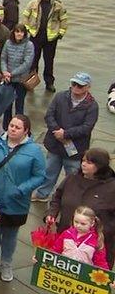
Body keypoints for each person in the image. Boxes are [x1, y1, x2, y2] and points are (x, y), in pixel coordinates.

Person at [0, 115, 46, 282]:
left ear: (26, 131)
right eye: (11, 125)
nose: (13, 129)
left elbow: (39, 176)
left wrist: (22, 189)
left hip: (17, 201)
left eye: (17, 127)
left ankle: (6, 263)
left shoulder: (34, 151)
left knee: (10, 234)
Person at [43, 206, 112, 294]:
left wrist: (108, 278)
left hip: (83, 278)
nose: (78, 226)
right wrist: (42, 259)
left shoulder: (96, 240)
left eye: (83, 223)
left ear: (92, 223)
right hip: (64, 273)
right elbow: (55, 250)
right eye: (76, 222)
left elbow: (101, 262)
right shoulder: (66, 234)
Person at [33, 72, 99, 203]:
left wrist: (65, 134)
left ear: (87, 87)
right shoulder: (60, 97)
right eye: (74, 84)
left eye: (80, 85)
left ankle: (68, 199)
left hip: (75, 149)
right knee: (49, 171)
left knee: (73, 177)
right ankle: (42, 194)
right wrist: (57, 130)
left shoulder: (92, 106)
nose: (75, 87)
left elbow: (87, 127)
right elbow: (49, 115)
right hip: (55, 144)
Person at [46, 149, 115, 266]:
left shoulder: (112, 187)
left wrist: (103, 232)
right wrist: (51, 213)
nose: (83, 164)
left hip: (96, 244)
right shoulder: (71, 178)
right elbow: (57, 196)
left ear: (100, 166)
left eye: (89, 162)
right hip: (67, 236)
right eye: (83, 161)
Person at [22, 0, 68, 92]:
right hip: (35, 36)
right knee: (33, 61)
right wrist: (27, 29)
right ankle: (31, 83)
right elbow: (25, 16)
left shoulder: (58, 5)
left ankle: (49, 83)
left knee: (49, 62)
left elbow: (64, 20)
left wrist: (60, 33)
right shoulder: (33, 3)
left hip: (51, 39)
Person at [0, 24, 34, 128]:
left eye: (21, 32)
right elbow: (3, 58)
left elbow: (27, 63)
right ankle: (6, 127)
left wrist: (12, 73)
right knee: (7, 106)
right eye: (17, 31)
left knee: (19, 105)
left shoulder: (29, 45)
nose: (19, 34)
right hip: (8, 79)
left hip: (21, 80)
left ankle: (20, 127)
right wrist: (5, 72)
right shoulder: (8, 43)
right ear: (13, 32)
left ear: (24, 33)